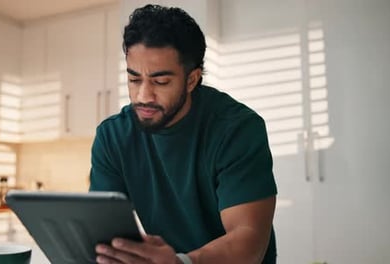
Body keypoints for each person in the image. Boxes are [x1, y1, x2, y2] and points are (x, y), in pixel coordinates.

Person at [90, 4, 277, 264]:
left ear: (192, 80)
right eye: (134, 79)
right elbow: (100, 235)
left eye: (160, 81)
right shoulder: (112, 137)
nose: (143, 95)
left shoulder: (237, 129)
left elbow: (249, 241)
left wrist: (182, 262)